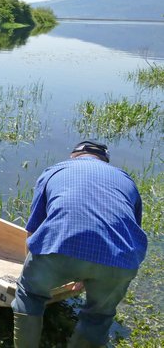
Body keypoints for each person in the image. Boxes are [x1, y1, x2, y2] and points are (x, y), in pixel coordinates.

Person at [11, 140, 148, 348]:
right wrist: (88, 273)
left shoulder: (55, 171)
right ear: (104, 160)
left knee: (29, 294)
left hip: (60, 251)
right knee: (98, 316)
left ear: (74, 155)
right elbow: (129, 232)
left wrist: (29, 273)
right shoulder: (126, 180)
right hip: (121, 260)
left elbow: (33, 231)